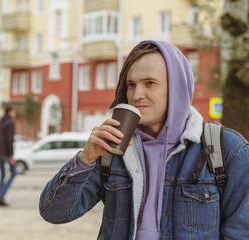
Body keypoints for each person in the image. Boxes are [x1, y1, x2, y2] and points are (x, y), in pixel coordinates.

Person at [39, 40, 249, 239]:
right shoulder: (112, 148)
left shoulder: (226, 149)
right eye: (131, 84)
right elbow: (54, 213)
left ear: (177, 88)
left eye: (150, 83)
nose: (137, 94)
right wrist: (86, 158)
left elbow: (240, 233)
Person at [0, 107, 17, 207]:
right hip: (6, 154)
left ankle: (0, 197)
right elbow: (9, 140)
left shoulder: (0, 123)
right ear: (10, 112)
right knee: (14, 172)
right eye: (14, 111)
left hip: (0, 153)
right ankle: (1, 195)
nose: (15, 113)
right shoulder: (10, 123)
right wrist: (11, 156)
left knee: (2, 175)